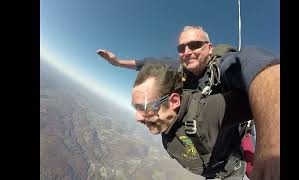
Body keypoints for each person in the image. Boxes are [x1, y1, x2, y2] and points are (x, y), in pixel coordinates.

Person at [97, 26, 280, 179]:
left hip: (232, 121)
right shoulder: (181, 68)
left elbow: (262, 68)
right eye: (181, 48)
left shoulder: (223, 65)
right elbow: (148, 63)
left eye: (194, 45)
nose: (186, 52)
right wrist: (119, 63)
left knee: (253, 168)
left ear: (209, 48)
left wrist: (272, 145)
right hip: (208, 131)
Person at [132, 63, 251, 179]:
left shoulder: (207, 111)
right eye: (135, 107)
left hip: (229, 173)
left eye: (144, 108)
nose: (138, 117)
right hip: (211, 171)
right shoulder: (167, 121)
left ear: (173, 101)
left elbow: (261, 101)